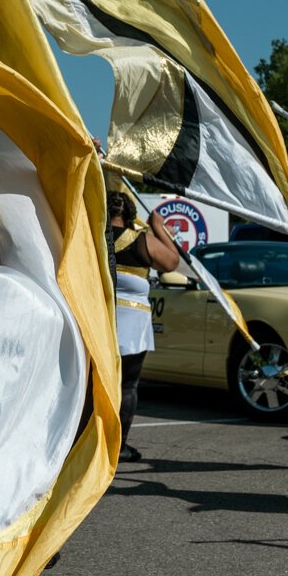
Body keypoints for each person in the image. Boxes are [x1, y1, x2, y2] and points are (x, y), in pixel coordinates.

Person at [106, 187, 180, 463]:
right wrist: (159, 228)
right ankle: (119, 446)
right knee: (127, 387)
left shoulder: (92, 237)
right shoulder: (142, 240)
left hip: (97, 319)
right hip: (132, 325)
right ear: (129, 215)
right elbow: (171, 263)